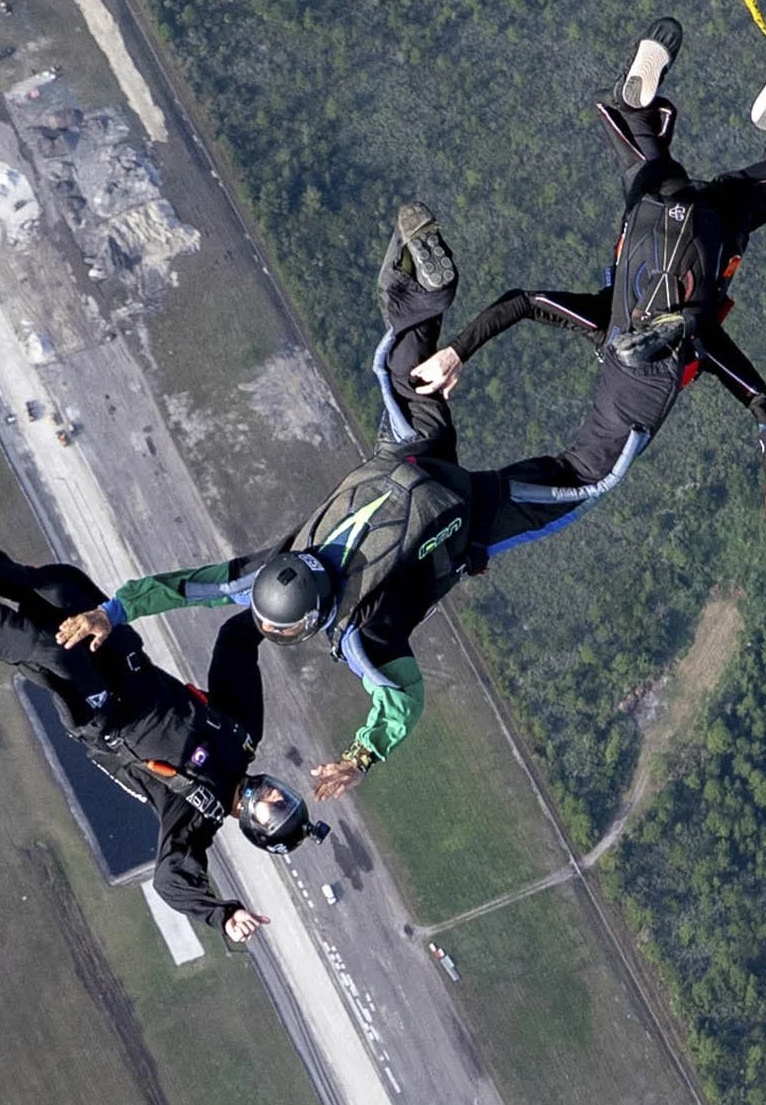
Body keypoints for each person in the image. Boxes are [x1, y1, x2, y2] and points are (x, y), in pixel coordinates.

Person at [64, 204, 622, 802]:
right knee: (404, 370)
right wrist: (112, 611)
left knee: (585, 477)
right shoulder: (265, 575)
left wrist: (362, 756)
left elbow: (402, 698)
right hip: (409, 455)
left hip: (468, 516)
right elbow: (186, 587)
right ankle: (419, 291)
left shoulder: (359, 633)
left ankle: (639, 368)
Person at [408, 18, 766, 531]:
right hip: (651, 207)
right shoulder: (602, 319)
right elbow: (522, 302)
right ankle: (643, 104)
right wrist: (457, 351)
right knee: (627, 121)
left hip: (712, 221)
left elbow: (764, 403)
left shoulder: (706, 347)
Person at [0, 526, 322, 940]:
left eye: (273, 812)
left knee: (51, 654)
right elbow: (235, 645)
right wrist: (283, 608)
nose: (273, 796)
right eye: (285, 795)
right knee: (60, 590)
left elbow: (170, 879)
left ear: (254, 827)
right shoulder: (244, 732)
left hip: (105, 717)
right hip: (132, 666)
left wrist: (222, 914)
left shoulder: (194, 817)